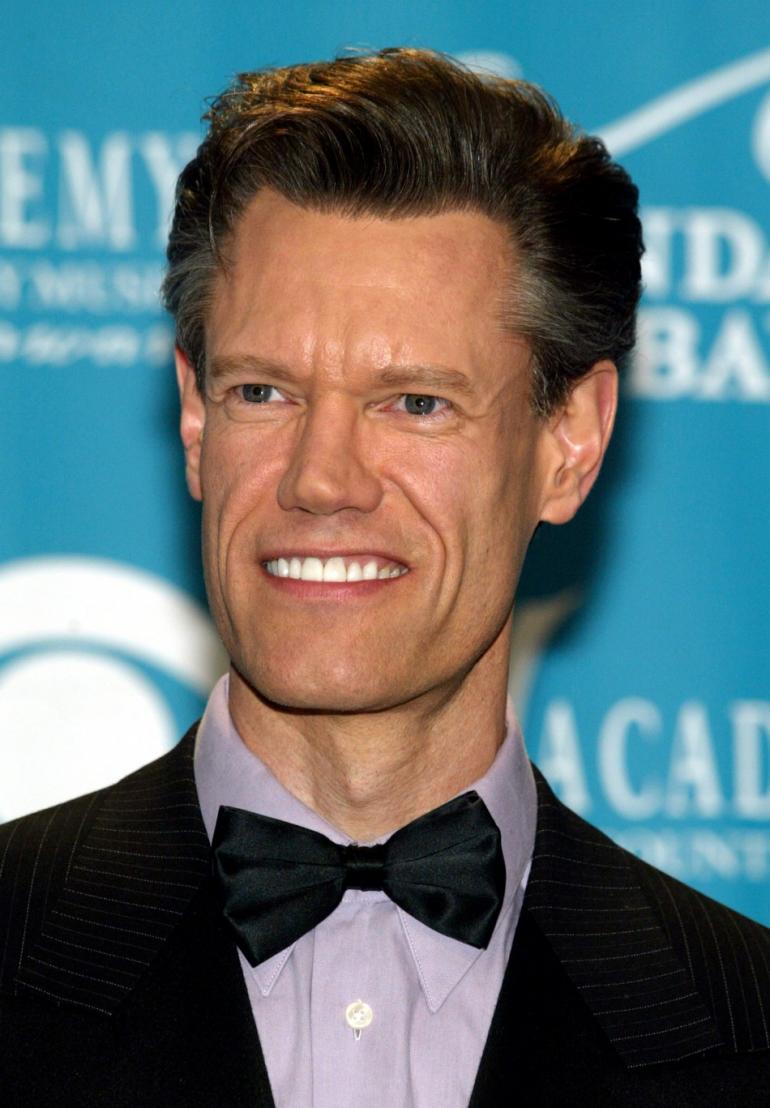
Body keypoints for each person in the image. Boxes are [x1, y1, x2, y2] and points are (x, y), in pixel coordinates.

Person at [1, 47, 768, 1107]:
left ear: (569, 443)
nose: (321, 479)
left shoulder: (746, 1024)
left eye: (415, 403)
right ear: (194, 415)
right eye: (263, 392)